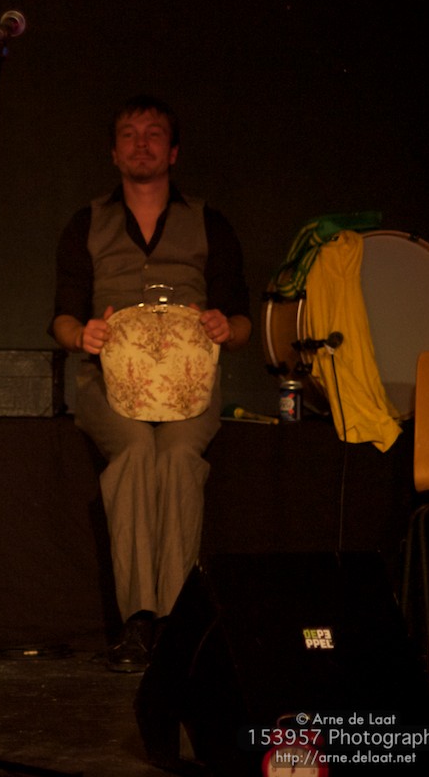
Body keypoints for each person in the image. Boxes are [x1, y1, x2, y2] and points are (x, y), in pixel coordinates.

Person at [50, 95, 250, 672]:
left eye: (154, 133)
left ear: (174, 151)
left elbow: (240, 320)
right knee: (137, 451)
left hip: (189, 383)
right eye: (129, 134)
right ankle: (141, 619)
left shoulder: (209, 221)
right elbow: (61, 317)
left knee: (181, 455)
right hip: (110, 382)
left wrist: (226, 327)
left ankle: (176, 621)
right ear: (114, 153)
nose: (141, 143)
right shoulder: (87, 222)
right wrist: (80, 334)